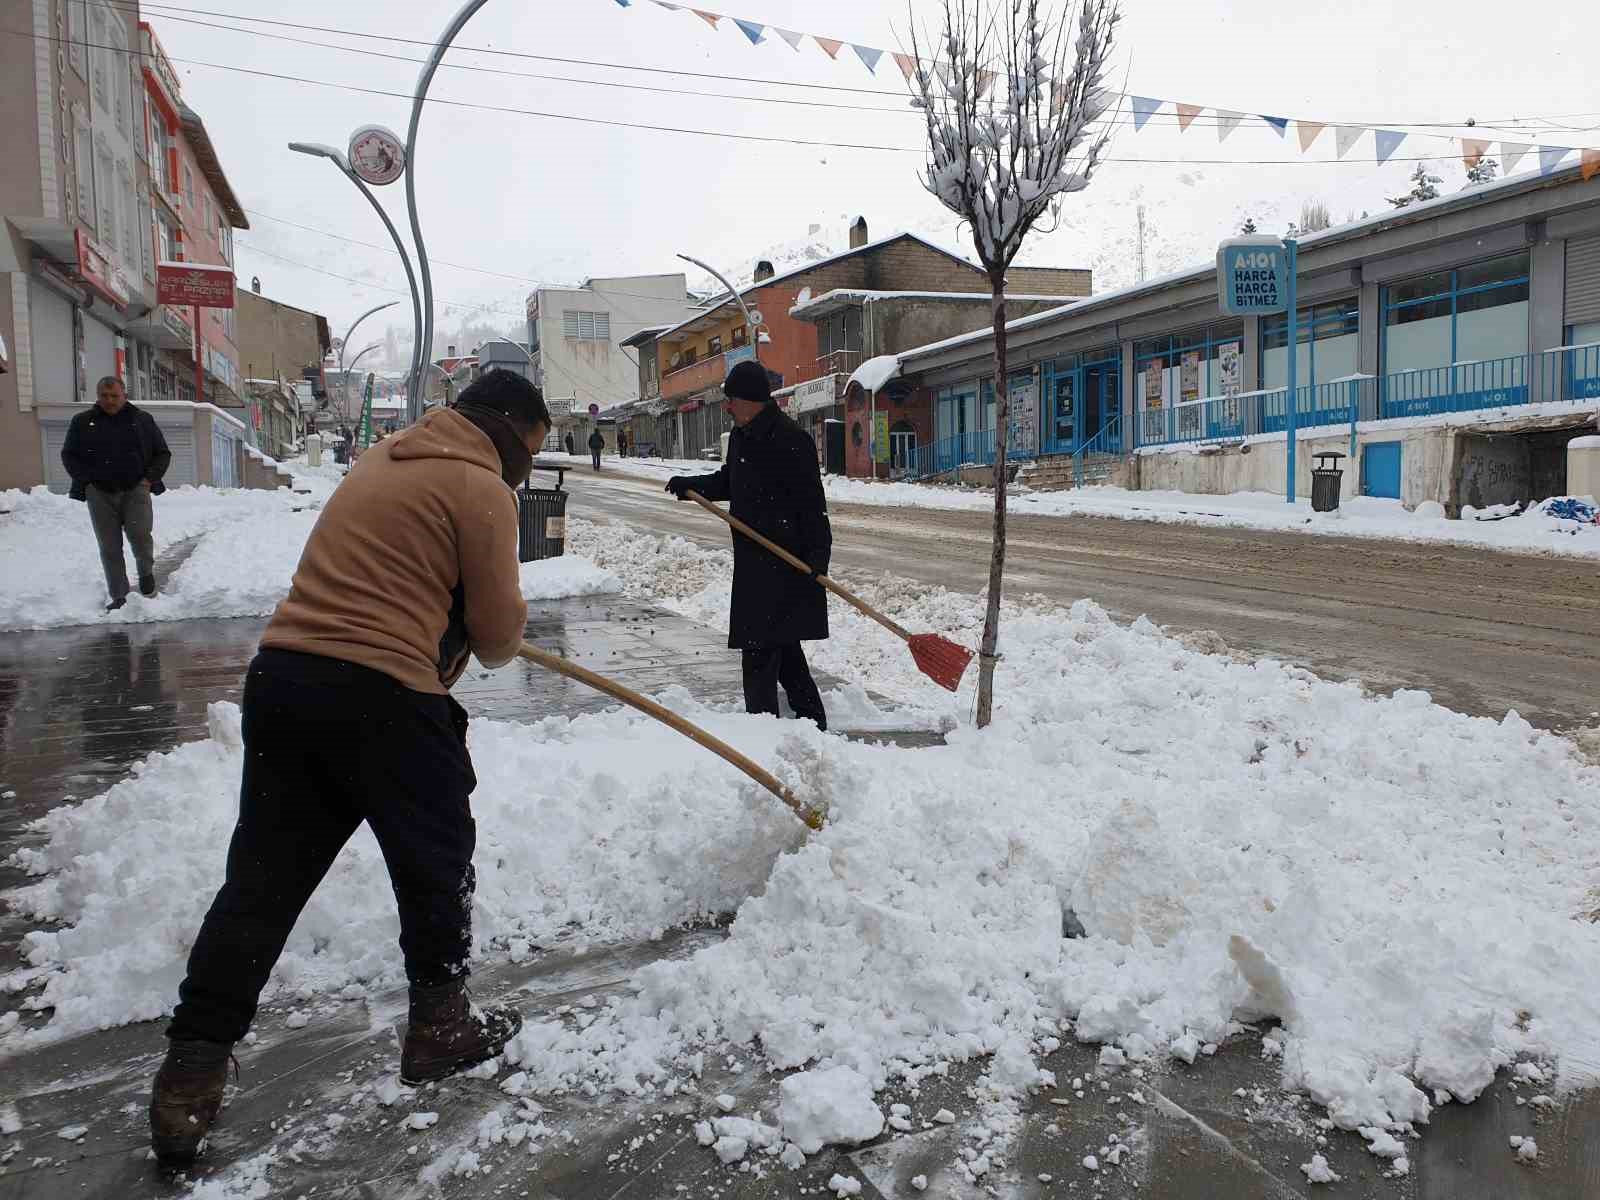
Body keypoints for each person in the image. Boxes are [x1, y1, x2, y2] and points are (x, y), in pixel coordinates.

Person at [148, 369, 551, 1168]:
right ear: (510, 432)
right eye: (529, 455)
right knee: (435, 864)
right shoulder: (482, 488)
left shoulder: (386, 456)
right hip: (384, 696)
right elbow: (500, 636)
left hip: (286, 679)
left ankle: (190, 1073)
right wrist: (483, 621)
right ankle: (440, 1028)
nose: (525, 472)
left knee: (261, 885)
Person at [665, 360, 831, 731]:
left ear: (752, 400)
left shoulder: (792, 441)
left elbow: (813, 507)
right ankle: (814, 727)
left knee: (759, 655)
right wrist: (694, 486)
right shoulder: (741, 437)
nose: (727, 406)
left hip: (787, 567)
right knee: (784, 654)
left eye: (732, 400)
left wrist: (819, 560)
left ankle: (763, 736)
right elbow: (731, 481)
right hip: (755, 565)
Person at [61, 376, 171, 611]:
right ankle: (119, 595)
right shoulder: (83, 422)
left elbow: (162, 453)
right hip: (99, 492)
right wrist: (86, 481)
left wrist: (148, 479)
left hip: (135, 489)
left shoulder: (141, 420)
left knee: (140, 535)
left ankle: (145, 572)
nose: (109, 401)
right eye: (104, 396)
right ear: (98, 396)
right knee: (109, 546)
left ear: (124, 396)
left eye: (114, 396)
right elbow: (69, 455)